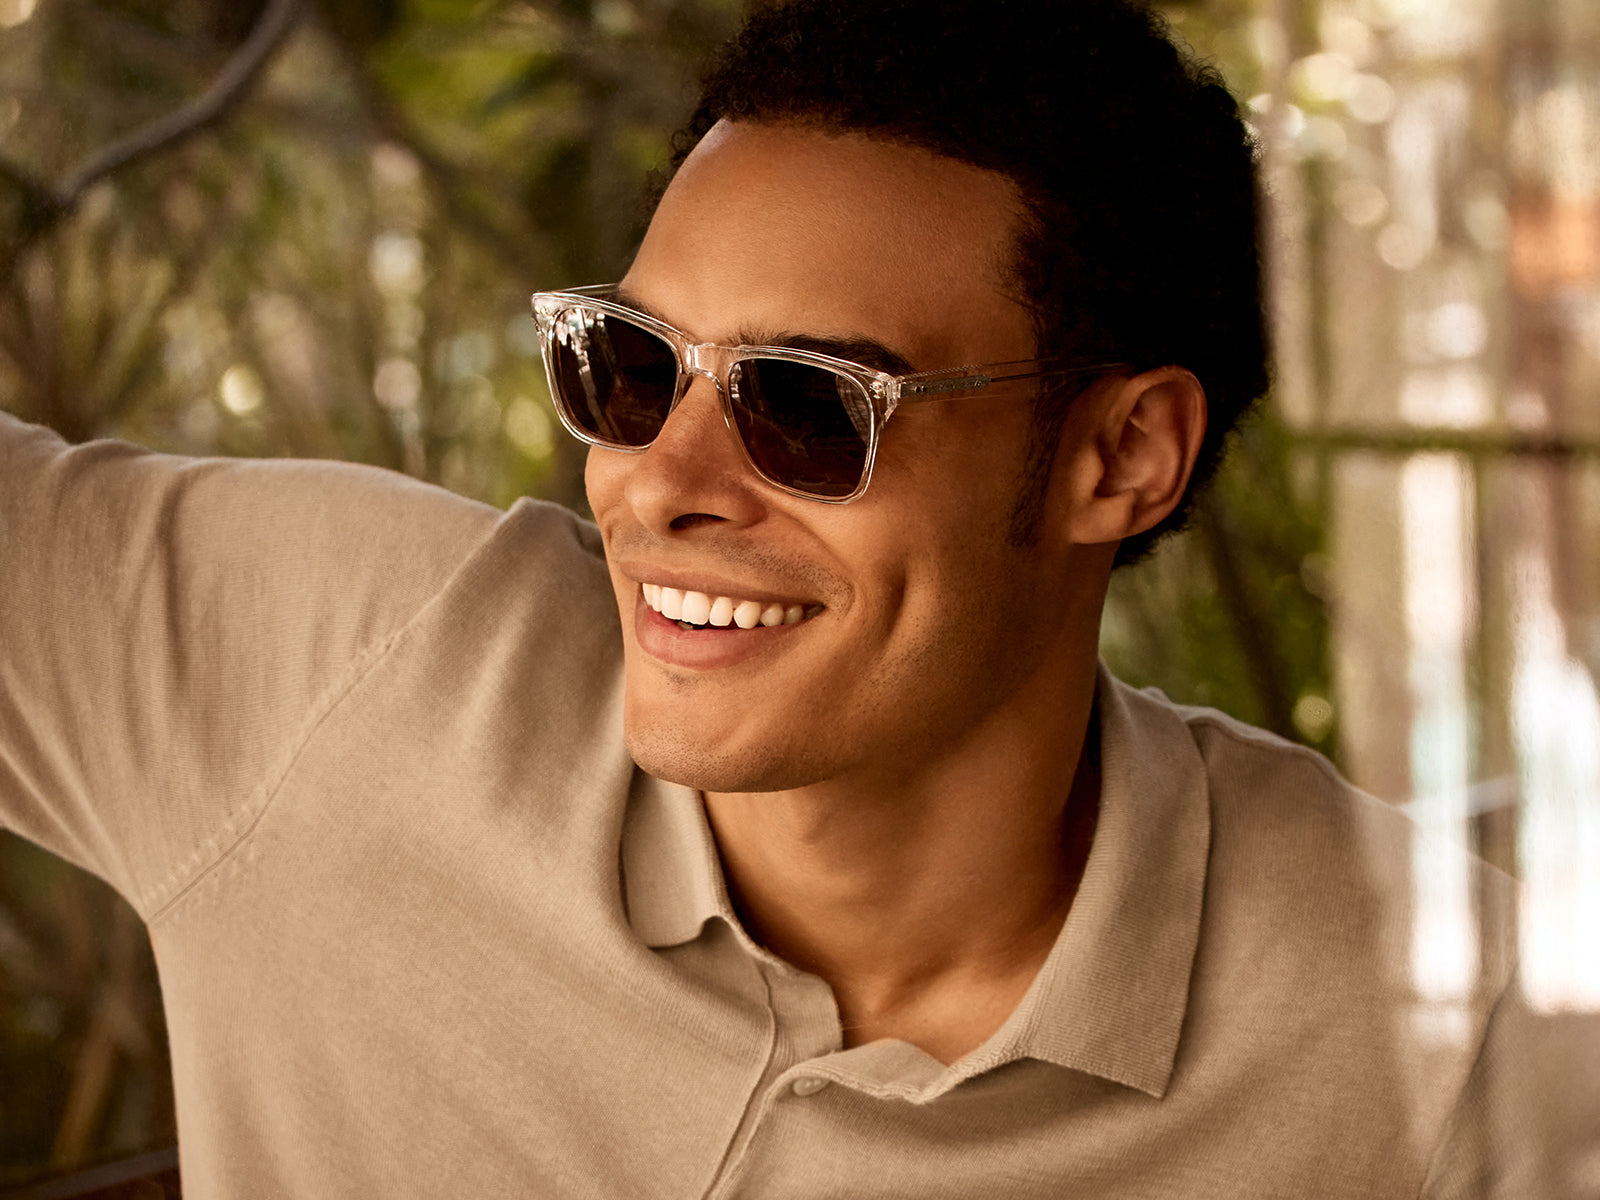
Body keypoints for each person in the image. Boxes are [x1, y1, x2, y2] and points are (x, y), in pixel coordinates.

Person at [0, 0, 1591, 1196]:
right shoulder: (338, 668)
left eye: (808, 403)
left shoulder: (1449, 1073)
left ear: (1120, 456)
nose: (660, 480)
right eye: (625, 370)